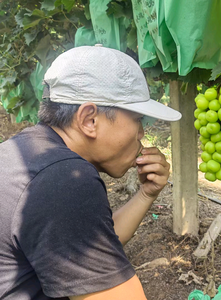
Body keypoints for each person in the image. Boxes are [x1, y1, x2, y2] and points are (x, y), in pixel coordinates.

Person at [0, 45, 181, 300]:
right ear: (89, 120)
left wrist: (146, 194)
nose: (141, 134)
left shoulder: (28, 154)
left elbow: (87, 245)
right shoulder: (64, 179)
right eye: (138, 119)